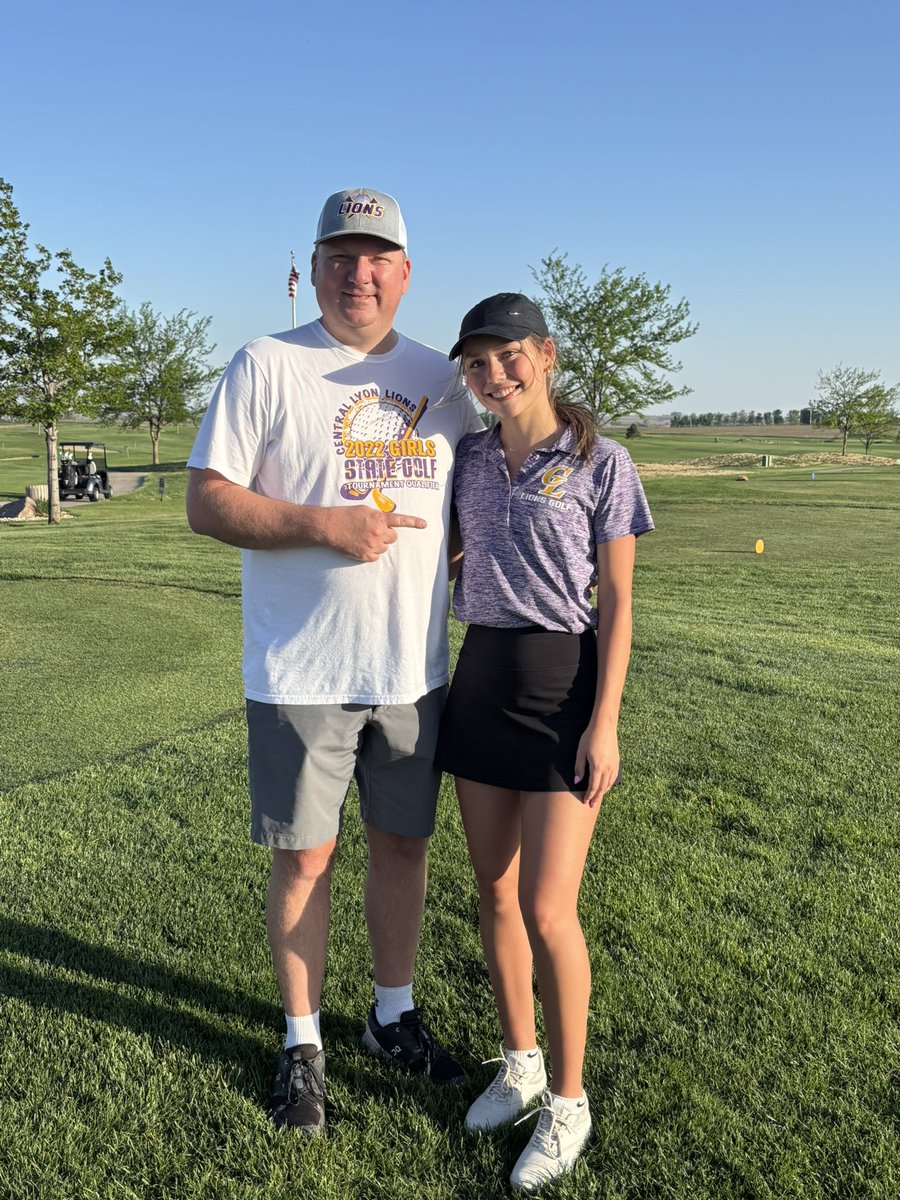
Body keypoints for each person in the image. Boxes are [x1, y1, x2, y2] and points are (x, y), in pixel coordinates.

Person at [185, 188, 482, 1134]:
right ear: (314, 268)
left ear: (405, 273)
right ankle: (302, 1044)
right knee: (306, 857)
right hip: (300, 671)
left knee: (403, 846)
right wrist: (324, 525)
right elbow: (206, 500)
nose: (360, 274)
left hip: (411, 671)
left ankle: (391, 1017)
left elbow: (476, 507)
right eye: (342, 257)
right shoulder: (266, 364)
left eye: (378, 257)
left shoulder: (445, 382)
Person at [435, 294, 654, 1192]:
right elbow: (447, 556)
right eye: (478, 364)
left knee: (548, 908)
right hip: (480, 680)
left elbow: (620, 603)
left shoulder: (602, 461)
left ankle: (568, 1101)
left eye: (509, 356)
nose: (495, 375)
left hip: (563, 688)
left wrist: (605, 722)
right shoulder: (469, 457)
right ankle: (519, 1061)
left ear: (547, 354)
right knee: (493, 892)